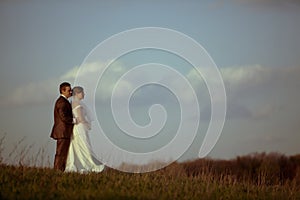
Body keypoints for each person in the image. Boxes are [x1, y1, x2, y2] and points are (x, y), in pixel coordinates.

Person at [65, 86, 105, 173]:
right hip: (80, 127)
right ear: (77, 93)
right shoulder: (77, 104)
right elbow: (81, 117)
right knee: (85, 146)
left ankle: (82, 164)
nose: (84, 94)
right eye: (82, 93)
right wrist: (87, 123)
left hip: (77, 127)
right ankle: (89, 164)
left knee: (80, 146)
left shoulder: (74, 103)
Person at [50, 82, 76, 171]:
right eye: (69, 90)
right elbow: (63, 116)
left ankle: (60, 169)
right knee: (60, 152)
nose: (71, 92)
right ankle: (57, 170)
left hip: (64, 132)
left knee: (63, 152)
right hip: (62, 132)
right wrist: (73, 120)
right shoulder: (62, 102)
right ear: (63, 91)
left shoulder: (64, 101)